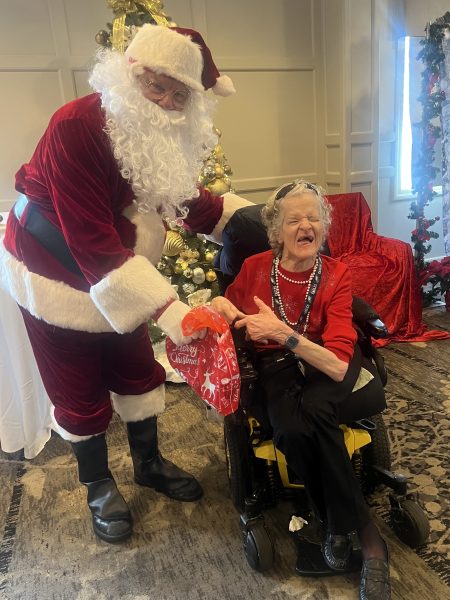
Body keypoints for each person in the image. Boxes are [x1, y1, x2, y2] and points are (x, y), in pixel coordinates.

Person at [0, 24, 250, 543]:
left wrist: (253, 222)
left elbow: (180, 195)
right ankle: (97, 485)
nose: (166, 102)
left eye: (179, 95)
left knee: (136, 367)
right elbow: (91, 243)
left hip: (118, 268)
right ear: (130, 71)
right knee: (76, 384)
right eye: (157, 86)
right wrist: (172, 311)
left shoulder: (156, 130)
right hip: (50, 268)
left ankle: (148, 463)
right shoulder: (75, 126)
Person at [211, 180, 390, 600]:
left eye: (313, 218)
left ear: (323, 228)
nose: (306, 226)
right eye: (294, 220)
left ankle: (365, 541)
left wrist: (282, 333)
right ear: (277, 231)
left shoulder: (336, 274)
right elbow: (228, 306)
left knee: (317, 409)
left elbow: (337, 364)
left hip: (328, 358)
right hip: (276, 364)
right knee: (290, 430)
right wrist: (220, 305)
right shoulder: (255, 268)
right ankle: (347, 525)